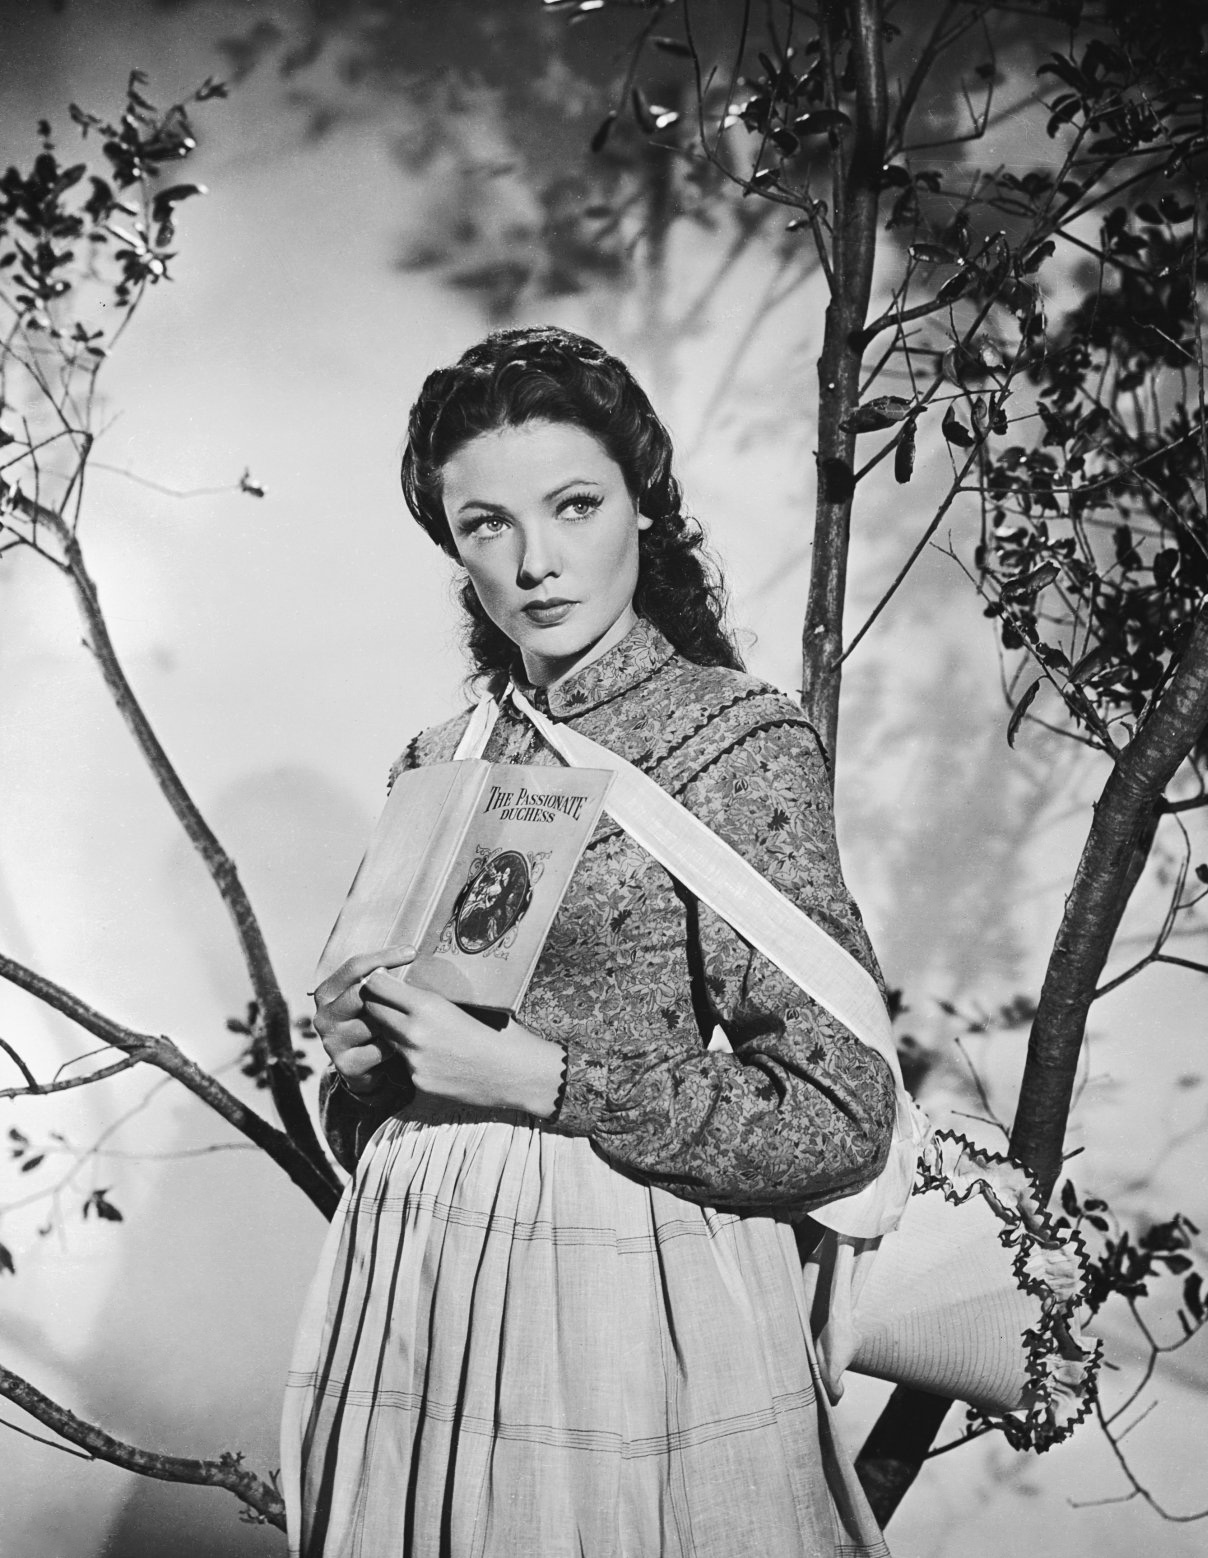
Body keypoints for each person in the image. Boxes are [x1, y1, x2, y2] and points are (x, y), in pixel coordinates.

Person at [282, 326, 898, 1558]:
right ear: (453, 545)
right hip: (410, 1281)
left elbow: (841, 1113)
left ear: (644, 507)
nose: (536, 562)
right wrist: (366, 1070)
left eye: (574, 505)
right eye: (486, 525)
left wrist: (551, 1081)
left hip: (617, 1288)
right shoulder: (440, 758)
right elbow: (378, 1114)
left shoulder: (733, 740)